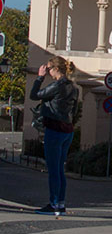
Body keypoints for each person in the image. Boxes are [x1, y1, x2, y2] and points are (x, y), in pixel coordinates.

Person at [29, 56, 79, 215]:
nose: (47, 71)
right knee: (59, 170)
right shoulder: (74, 88)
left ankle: (54, 204)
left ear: (56, 69)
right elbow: (75, 111)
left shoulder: (57, 86)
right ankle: (61, 204)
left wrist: (39, 77)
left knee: (53, 170)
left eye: (49, 68)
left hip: (55, 129)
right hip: (67, 130)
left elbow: (34, 95)